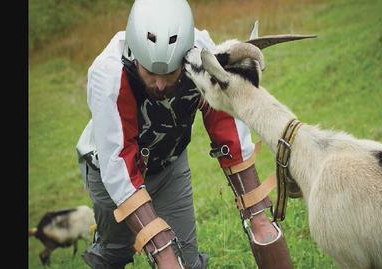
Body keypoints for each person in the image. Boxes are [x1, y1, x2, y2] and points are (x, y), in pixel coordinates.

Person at [76, 0, 293, 268]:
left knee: (185, 260)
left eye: (169, 74)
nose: (159, 84)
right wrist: (156, 239)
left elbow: (226, 125)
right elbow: (118, 161)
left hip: (169, 165)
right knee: (117, 252)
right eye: (150, 72)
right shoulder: (107, 73)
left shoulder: (200, 54)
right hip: (108, 172)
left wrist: (257, 213)